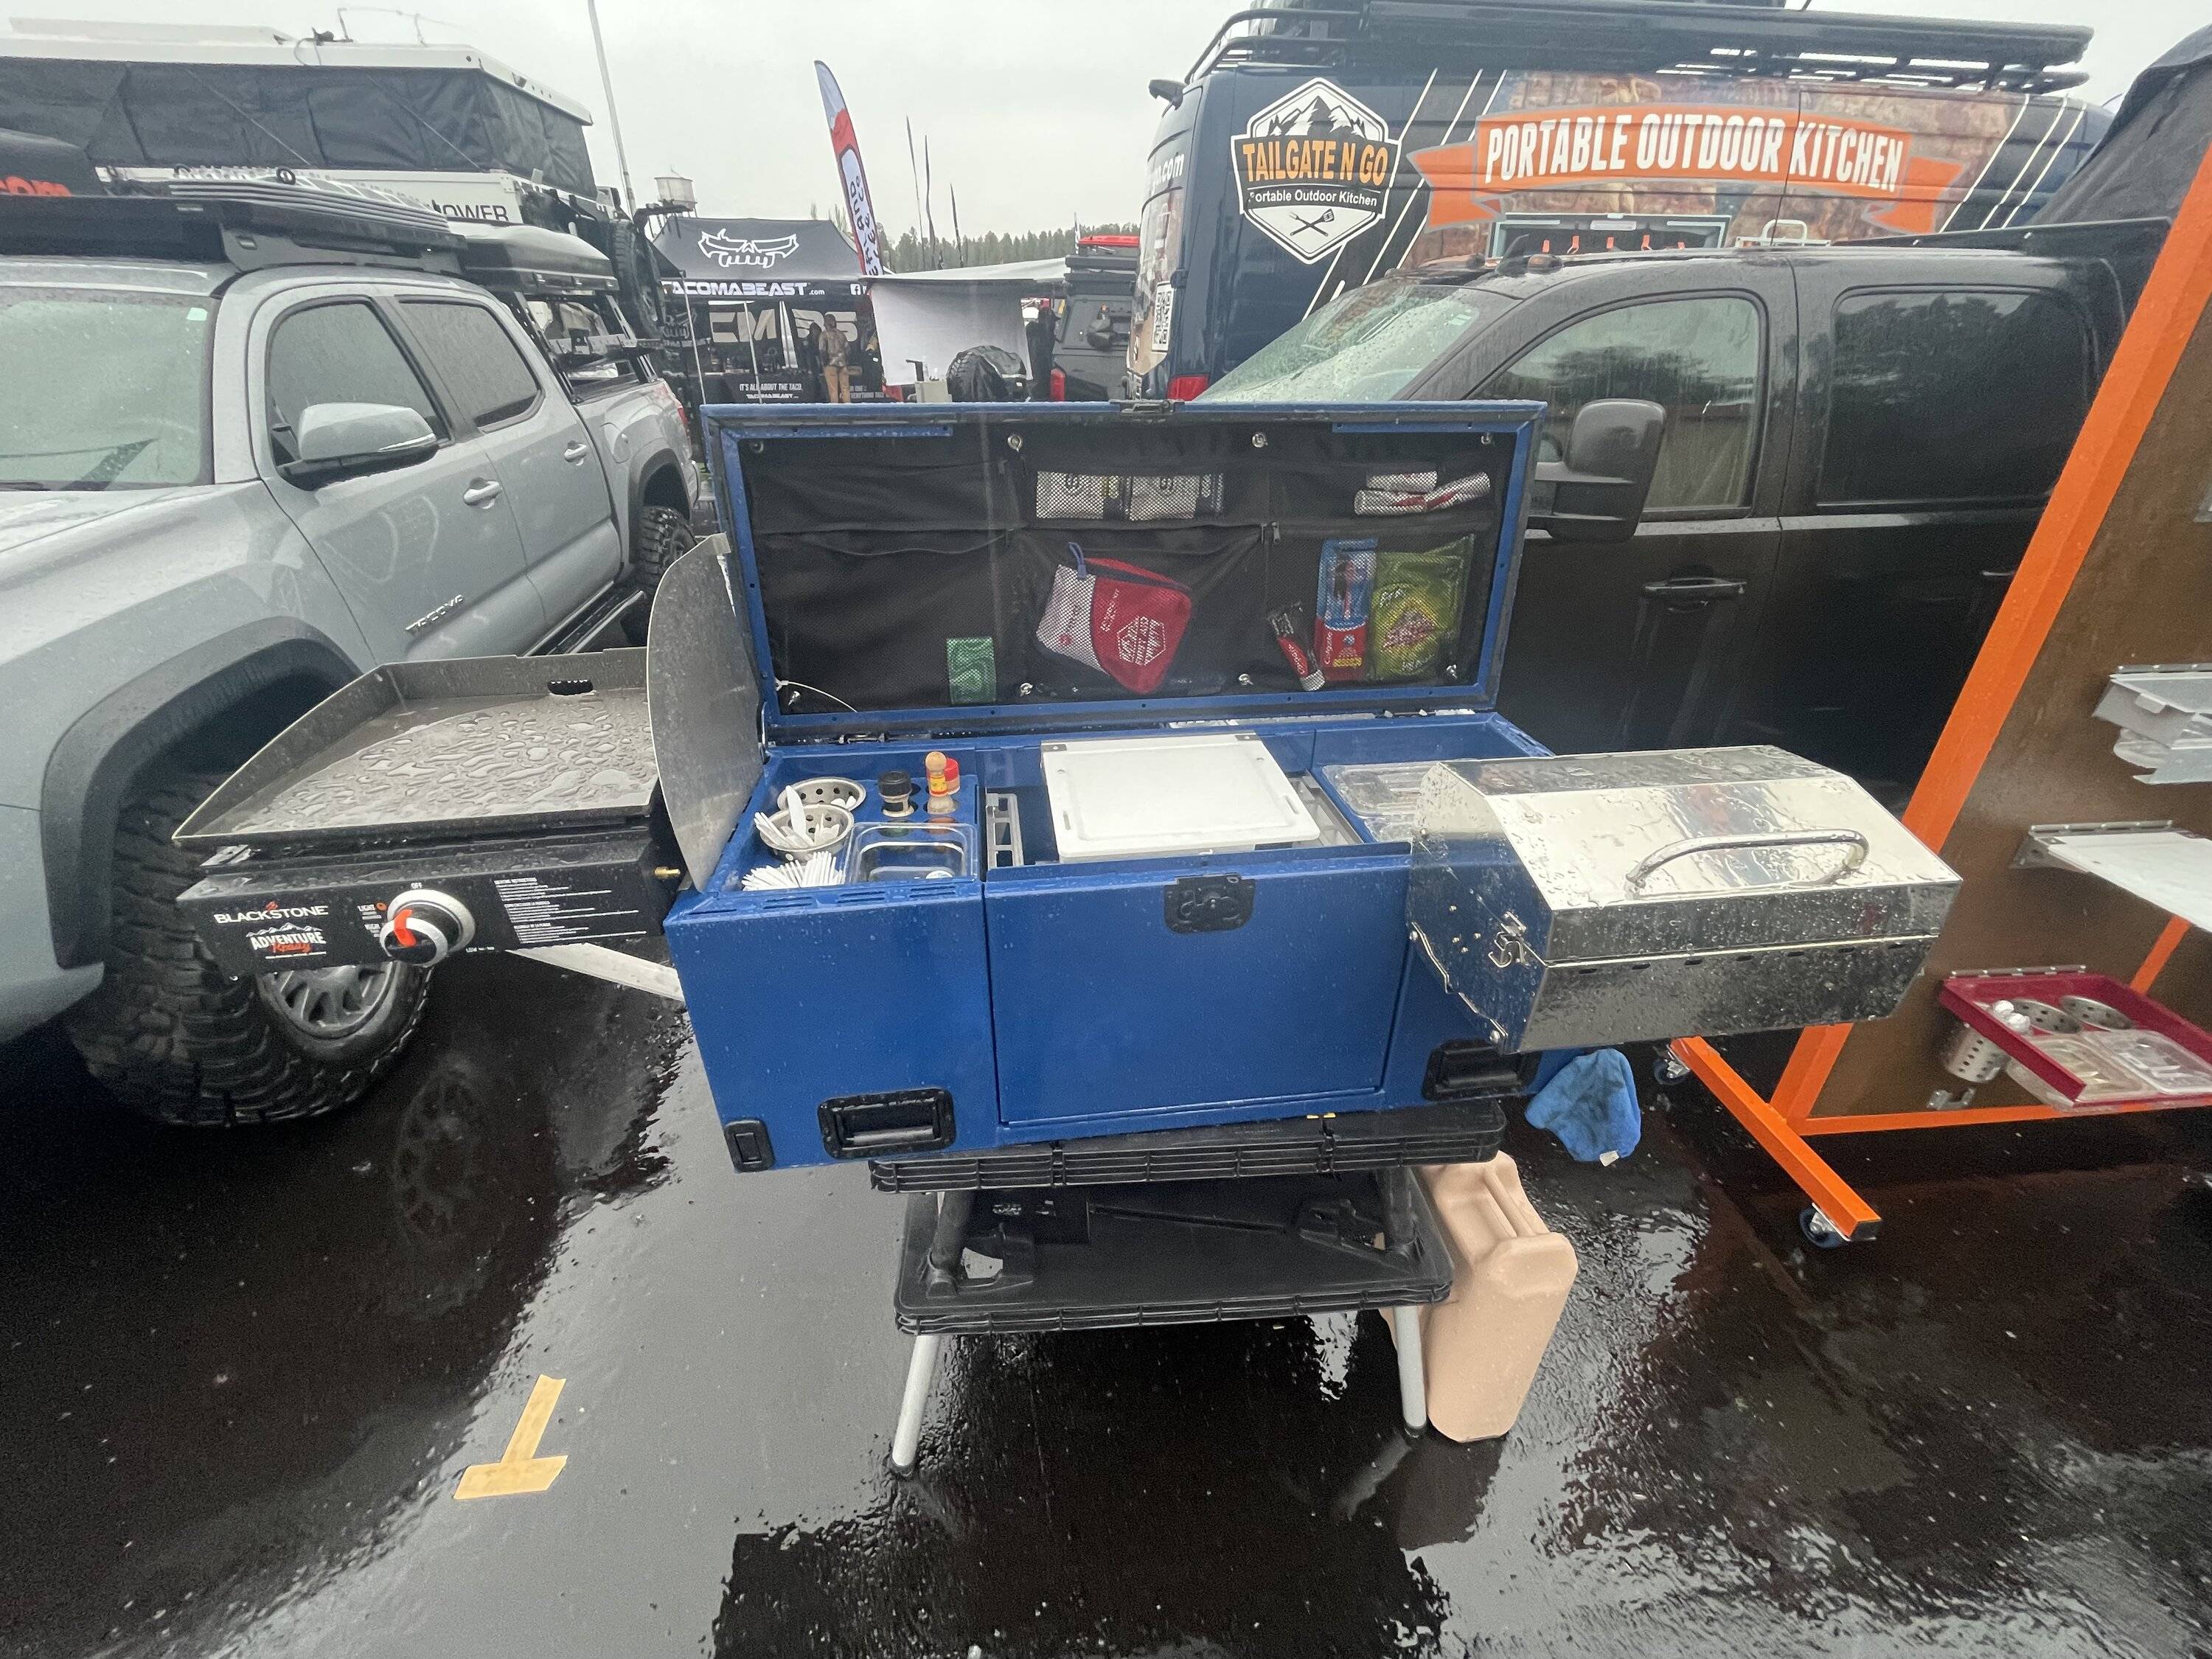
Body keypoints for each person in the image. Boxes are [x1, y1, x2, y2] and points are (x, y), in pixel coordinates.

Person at [821, 321, 852, 403]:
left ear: (826, 324)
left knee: (833, 390)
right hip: (843, 364)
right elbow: (848, 350)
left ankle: (835, 410)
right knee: (846, 389)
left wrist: (824, 363)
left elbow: (822, 351)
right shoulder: (842, 334)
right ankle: (849, 408)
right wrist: (846, 362)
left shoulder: (824, 335)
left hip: (831, 364)